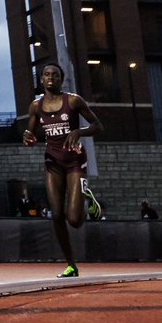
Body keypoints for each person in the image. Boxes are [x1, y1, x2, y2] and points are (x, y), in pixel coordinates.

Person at [23, 63, 105, 278]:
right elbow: (30, 135)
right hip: (53, 162)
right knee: (56, 214)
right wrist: (28, 138)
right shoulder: (35, 106)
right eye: (47, 74)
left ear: (61, 79)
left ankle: (91, 202)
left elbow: (98, 126)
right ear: (41, 79)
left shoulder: (74, 100)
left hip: (75, 161)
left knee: (75, 220)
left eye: (55, 75)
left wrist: (79, 131)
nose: (51, 77)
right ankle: (71, 265)